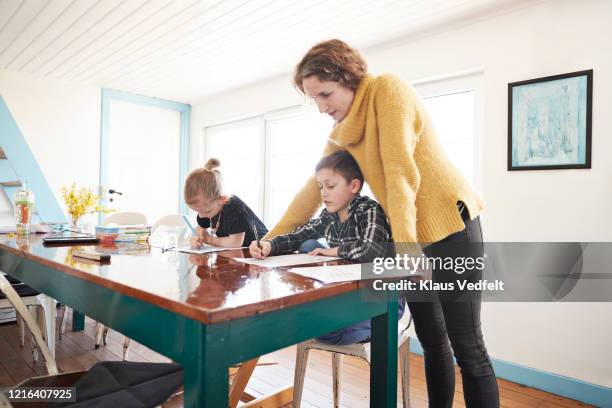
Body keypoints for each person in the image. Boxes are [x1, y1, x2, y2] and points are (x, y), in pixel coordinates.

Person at [265, 39, 499, 407]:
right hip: (413, 238)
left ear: (348, 77)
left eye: (326, 94)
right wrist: (269, 240)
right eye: (315, 100)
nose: (323, 107)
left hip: (452, 227)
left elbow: (400, 172)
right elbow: (310, 192)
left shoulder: (387, 90)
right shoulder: (343, 131)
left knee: (467, 346)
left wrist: (405, 248)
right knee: (433, 340)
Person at [250, 150, 403, 345]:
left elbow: (373, 250)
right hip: (351, 295)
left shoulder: (370, 210)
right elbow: (299, 235)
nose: (323, 192)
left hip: (382, 300)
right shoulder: (329, 215)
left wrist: (335, 250)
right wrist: (269, 245)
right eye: (321, 186)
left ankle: (343, 322)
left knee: (323, 331)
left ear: (354, 185)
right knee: (308, 244)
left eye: (330, 186)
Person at [184, 158, 267, 248]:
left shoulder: (234, 207)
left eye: (207, 212)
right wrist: (195, 238)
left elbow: (235, 243)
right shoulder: (207, 209)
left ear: (222, 199)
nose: (201, 216)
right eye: (197, 211)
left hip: (261, 249)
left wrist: (208, 240)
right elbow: (200, 229)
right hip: (239, 254)